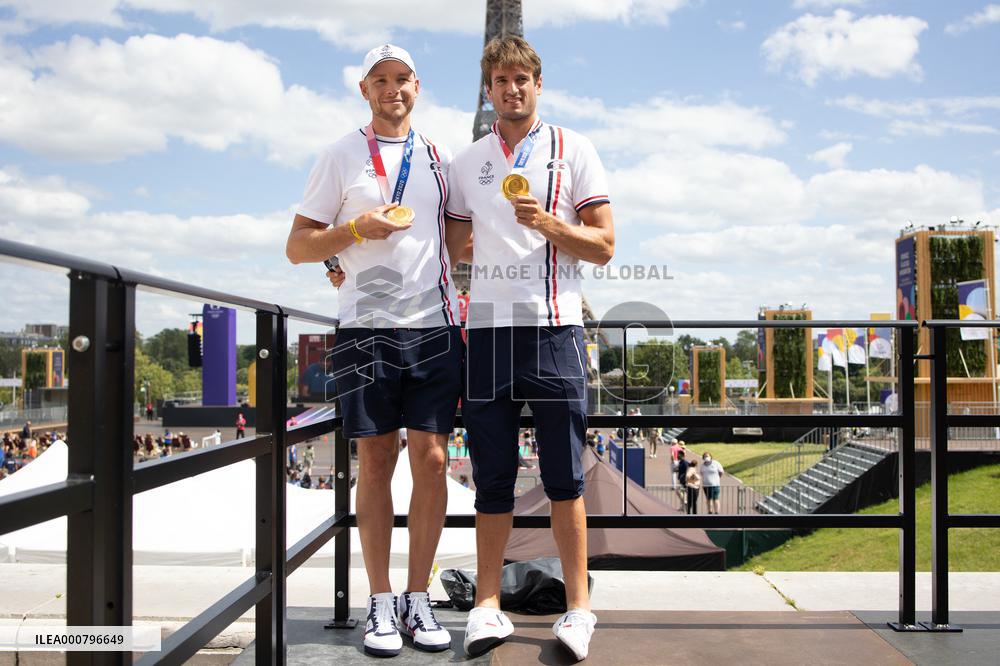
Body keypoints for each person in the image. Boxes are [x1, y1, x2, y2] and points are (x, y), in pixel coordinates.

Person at [285, 43, 461, 657]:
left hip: (435, 327)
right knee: (376, 459)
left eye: (403, 79)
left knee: (434, 461)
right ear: (364, 90)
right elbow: (298, 246)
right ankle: (380, 602)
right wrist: (354, 233)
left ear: (419, 85)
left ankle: (419, 596)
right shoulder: (338, 154)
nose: (394, 90)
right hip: (365, 327)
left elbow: (456, 240)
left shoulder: (441, 156)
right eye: (381, 80)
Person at [445, 37, 614, 661]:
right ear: (487, 90)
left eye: (522, 78)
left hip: (555, 331)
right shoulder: (467, 163)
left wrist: (546, 223)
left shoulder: (576, 149)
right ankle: (486, 607)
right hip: (486, 334)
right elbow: (452, 245)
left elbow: (604, 245)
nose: (511, 88)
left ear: (538, 84)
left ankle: (578, 609)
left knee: (565, 479)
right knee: (491, 480)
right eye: (500, 79)